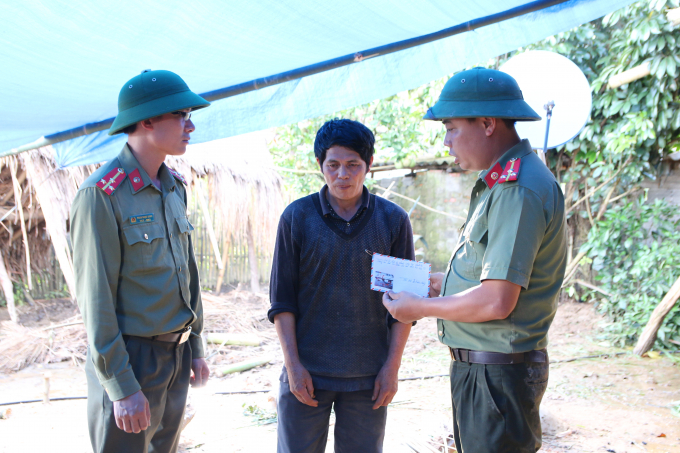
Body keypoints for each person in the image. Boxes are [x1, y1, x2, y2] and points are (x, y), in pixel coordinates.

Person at [382, 67, 567, 453]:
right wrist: (441, 282)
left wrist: (422, 306)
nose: (447, 142)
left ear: (486, 123)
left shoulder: (518, 190)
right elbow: (489, 275)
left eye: (451, 128)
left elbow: (497, 300)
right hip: (486, 372)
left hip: (498, 377)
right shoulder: (499, 184)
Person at [70, 69, 211, 453]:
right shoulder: (101, 194)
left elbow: (188, 275)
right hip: (132, 357)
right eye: (181, 115)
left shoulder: (173, 187)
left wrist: (195, 347)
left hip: (176, 355)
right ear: (147, 121)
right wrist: (121, 386)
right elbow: (95, 300)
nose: (190, 125)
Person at [268, 119, 415, 453]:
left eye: (353, 165)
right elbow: (282, 302)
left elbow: (404, 307)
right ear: (320, 165)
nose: (342, 175)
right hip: (307, 376)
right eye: (332, 165)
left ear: (369, 166)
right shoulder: (297, 218)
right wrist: (293, 368)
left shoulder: (392, 221)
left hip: (369, 379)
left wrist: (391, 369)